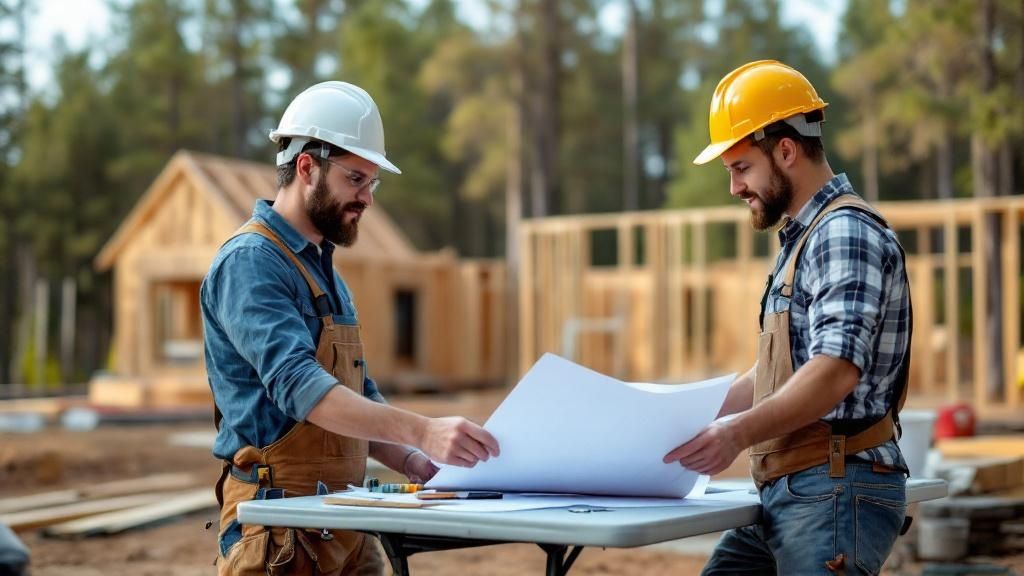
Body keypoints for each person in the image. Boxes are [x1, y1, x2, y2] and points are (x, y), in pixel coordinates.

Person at [202, 81, 500, 575]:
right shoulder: (251, 263)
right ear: (306, 167)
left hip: (342, 519)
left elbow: (359, 395)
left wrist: (413, 462)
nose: (367, 198)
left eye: (372, 183)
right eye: (356, 179)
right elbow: (303, 388)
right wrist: (423, 431)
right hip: (280, 530)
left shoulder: (327, 275)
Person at [663, 60, 913, 575]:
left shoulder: (842, 231)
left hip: (834, 486)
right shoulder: (806, 236)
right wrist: (682, 418)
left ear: (785, 150)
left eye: (740, 168)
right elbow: (780, 372)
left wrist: (736, 434)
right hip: (797, 486)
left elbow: (835, 369)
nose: (734, 188)